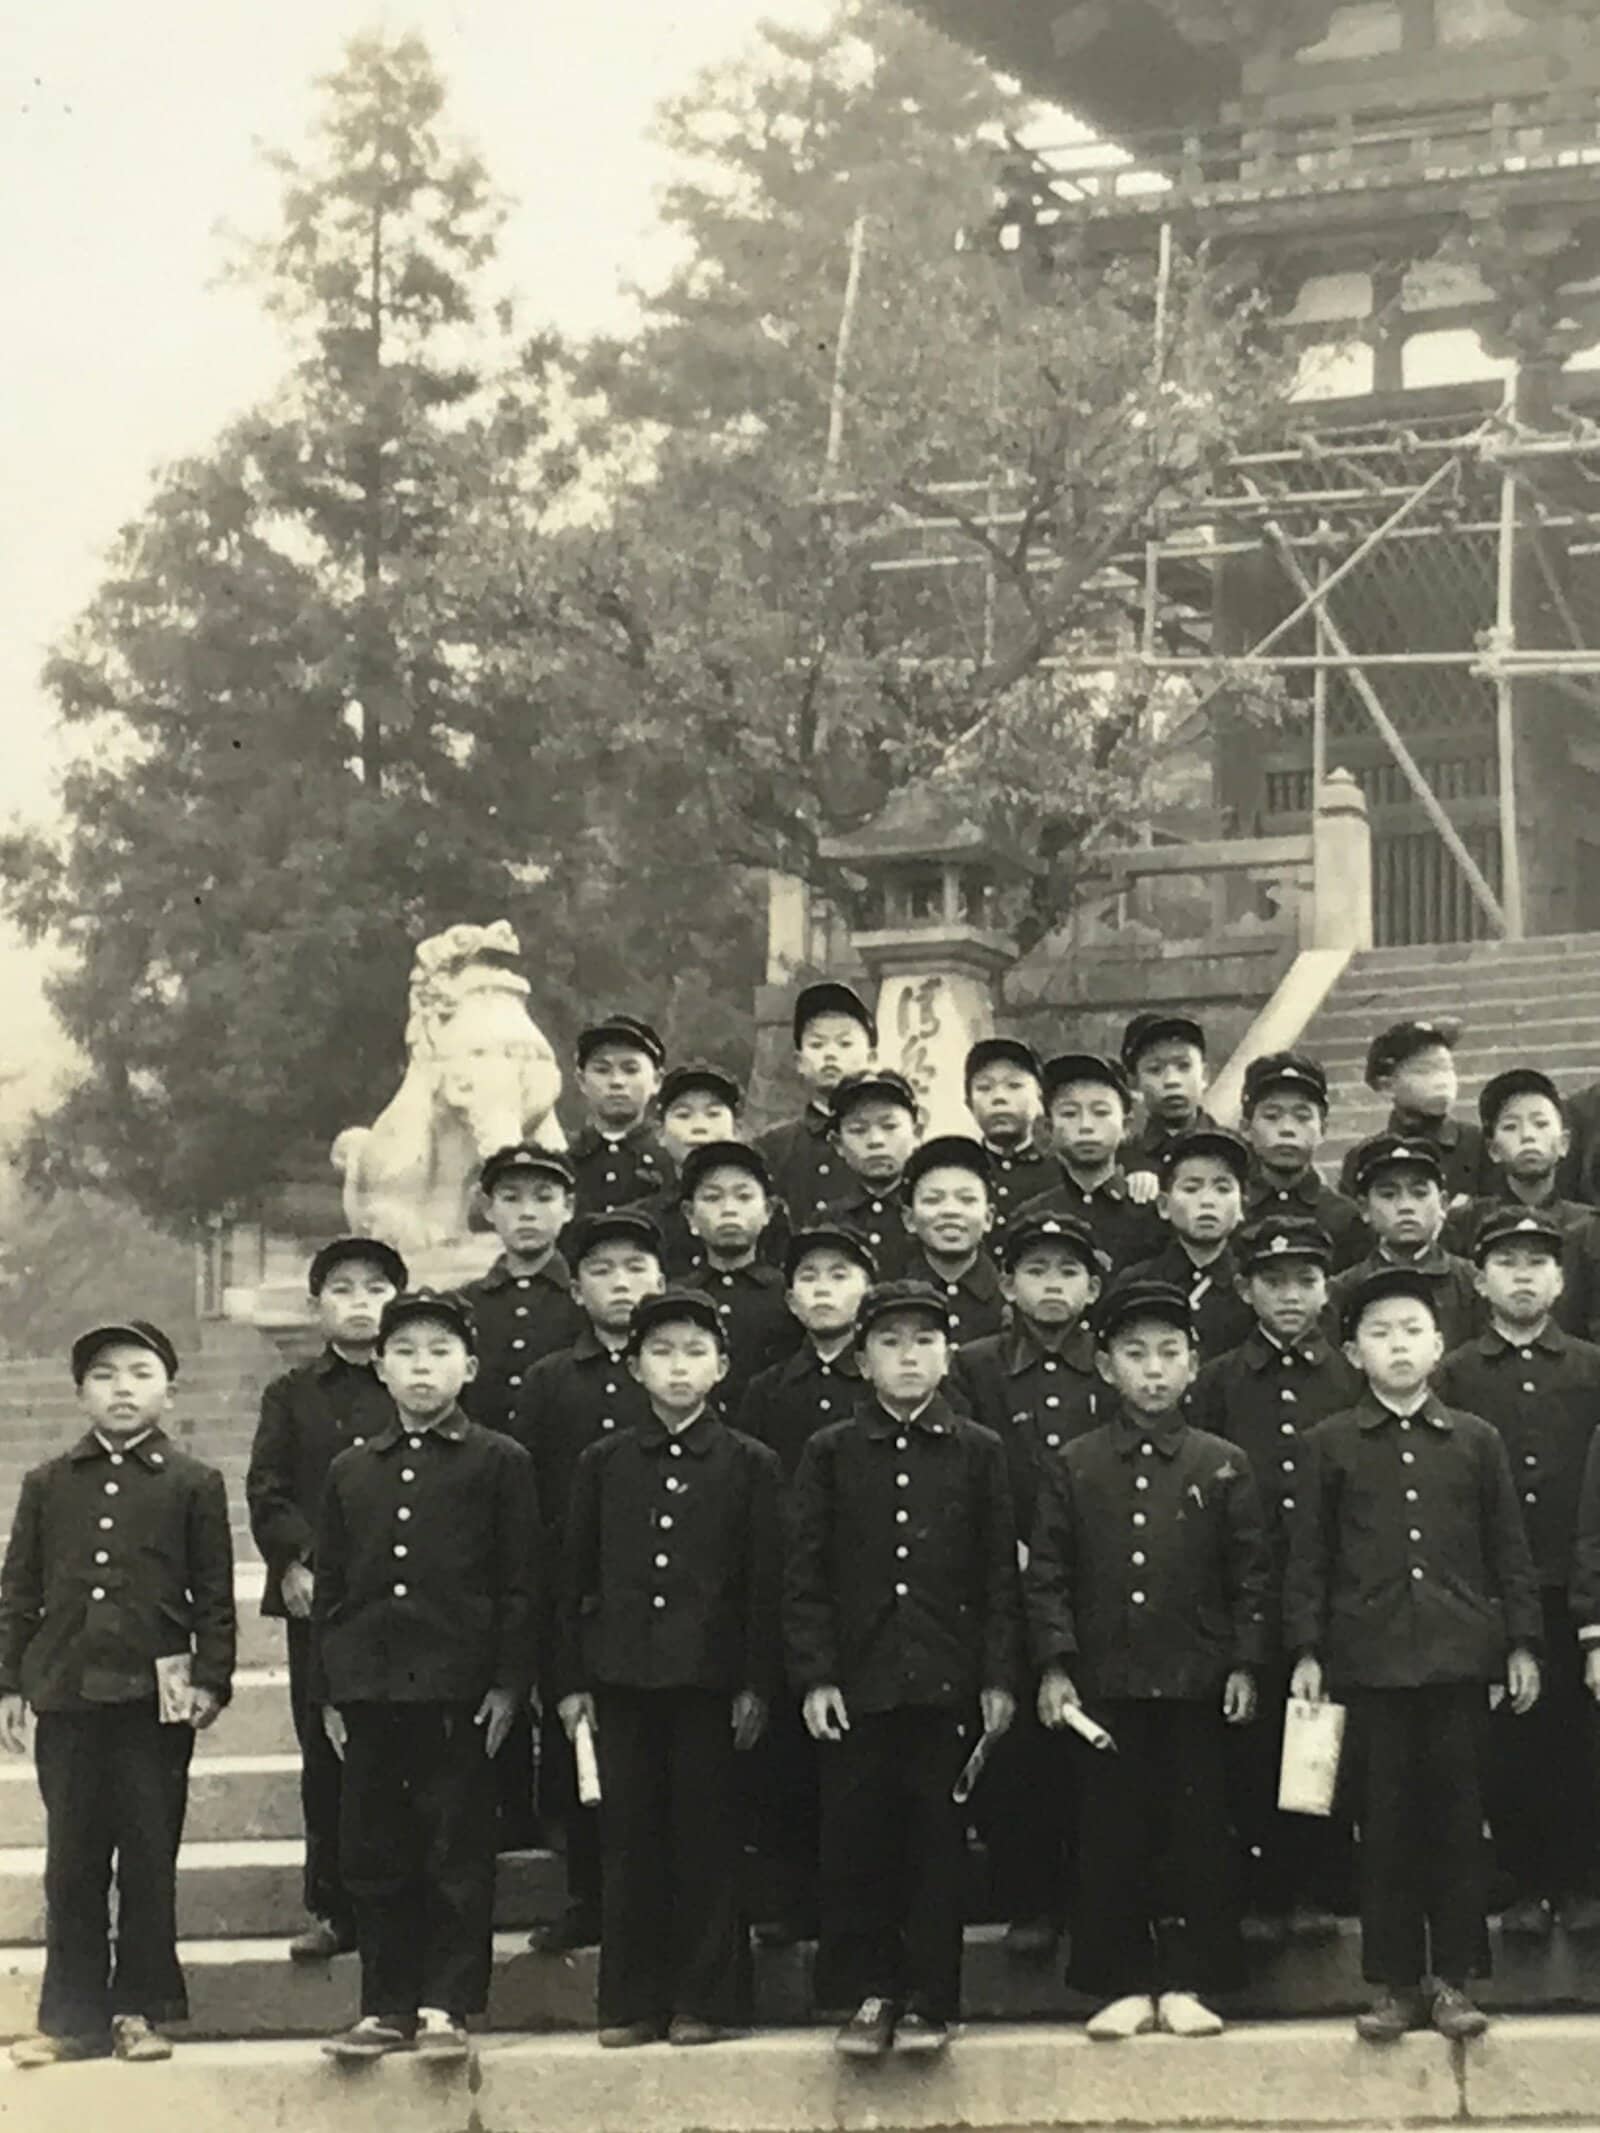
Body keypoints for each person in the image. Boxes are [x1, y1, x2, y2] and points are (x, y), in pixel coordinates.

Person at [1284, 1266, 1542, 2045]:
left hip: (1461, 1659)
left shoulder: (1475, 1439)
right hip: (1371, 1663)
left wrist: (1521, 1642)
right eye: (1378, 1333)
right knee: (1386, 1826)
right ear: (1354, 1352)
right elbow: (1310, 1558)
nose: (1396, 1346)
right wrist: (1307, 1648)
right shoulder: (1329, 1443)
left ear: (1438, 1346)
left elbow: (1510, 1550)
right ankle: (1396, 1982)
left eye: (1411, 1332)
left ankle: (1453, 1978)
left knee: (1458, 1824)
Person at [1027, 1280, 1267, 2042]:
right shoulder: (1074, 1463)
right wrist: (1057, 1665)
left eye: (1169, 1353)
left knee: (1198, 1830)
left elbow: (1251, 1574)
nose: (1153, 1370)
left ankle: (1193, 1979)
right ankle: (1122, 1979)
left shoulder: (1223, 1461)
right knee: (1111, 1831)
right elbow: (1049, 1575)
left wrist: (1244, 1663)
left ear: (1195, 1365)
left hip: (1196, 1679)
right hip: (1107, 1683)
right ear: (1105, 1365)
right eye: (1135, 1354)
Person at [786, 1280, 1020, 2059]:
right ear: (861, 1359)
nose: (908, 1356)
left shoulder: (979, 1450)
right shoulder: (829, 1452)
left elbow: (997, 1578)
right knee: (858, 1840)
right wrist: (817, 1675)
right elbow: (806, 1574)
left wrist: (996, 1678)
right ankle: (870, 1990)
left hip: (947, 1682)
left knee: (935, 1843)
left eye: (924, 1340)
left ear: (948, 1354)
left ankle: (930, 1996)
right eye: (890, 1342)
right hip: (859, 1685)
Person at [0, 1321, 235, 2069]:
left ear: (169, 1388)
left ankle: (139, 2008)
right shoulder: (47, 1483)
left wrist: (213, 1676)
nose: (122, 1388)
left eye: (140, 1372)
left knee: (145, 1855)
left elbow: (215, 1597)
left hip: (153, 1700)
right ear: (79, 1393)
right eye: (103, 1374)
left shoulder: (193, 1481)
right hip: (67, 1693)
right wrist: (9, 1681)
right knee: (71, 1859)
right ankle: (71, 2015)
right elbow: (18, 1593)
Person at [313, 1290, 539, 2064]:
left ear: (469, 1368)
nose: (422, 1367)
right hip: (371, 1692)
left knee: (455, 1853)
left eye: (440, 1352)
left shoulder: (499, 1460)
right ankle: (385, 2005)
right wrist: (335, 1693)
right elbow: (334, 1591)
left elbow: (519, 1583)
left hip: (459, 1694)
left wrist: (508, 1685)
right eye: (405, 1352)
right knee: (374, 1854)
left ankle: (447, 2004)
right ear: (379, 1367)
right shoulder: (351, 1469)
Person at [557, 1291, 782, 2048]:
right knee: (631, 1839)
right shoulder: (604, 1462)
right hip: (622, 1677)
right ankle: (633, 1998)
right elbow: (573, 1577)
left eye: (694, 1352)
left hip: (710, 1682)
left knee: (706, 1839)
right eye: (661, 1351)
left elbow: (763, 1583)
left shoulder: (751, 1464)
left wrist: (755, 1681)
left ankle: (706, 1998)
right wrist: (573, 1682)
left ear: (721, 1366)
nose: (678, 1367)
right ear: (634, 1365)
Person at [1190, 1217, 1361, 1944]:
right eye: (1273, 1281)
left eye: (1306, 1281)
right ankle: (1261, 1888)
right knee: (1253, 1732)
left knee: (1322, 1729)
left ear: (1327, 1289)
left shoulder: (1350, 1375)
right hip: (1244, 1580)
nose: (1290, 1296)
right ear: (1245, 1288)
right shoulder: (1222, 1379)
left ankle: (1319, 1883)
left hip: (1333, 1579)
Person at [1437, 1207, 1600, 1938]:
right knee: (1512, 1740)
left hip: (1579, 1581)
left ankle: (1584, 1881)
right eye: (1508, 1262)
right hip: (1493, 1585)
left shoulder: (1592, 1366)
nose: (1524, 1275)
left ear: (1562, 1279)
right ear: (1480, 1280)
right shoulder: (1455, 1373)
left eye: (1539, 1262)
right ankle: (1527, 1883)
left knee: (1580, 1734)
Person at [246, 1235, 408, 1962]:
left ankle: (409, 1906)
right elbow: (269, 1488)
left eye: (376, 1287)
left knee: (409, 1750)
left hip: (407, 1597)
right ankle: (333, 1906)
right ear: (316, 1308)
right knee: (327, 1752)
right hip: (321, 1600)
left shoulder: (414, 1378)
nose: (360, 1302)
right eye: (341, 1289)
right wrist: (297, 1560)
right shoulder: (290, 1394)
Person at [954, 1212, 1108, 1962]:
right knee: (1017, 1749)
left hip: (1101, 1581)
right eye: (1036, 1271)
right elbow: (965, 1470)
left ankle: (1094, 1896)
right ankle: (1030, 1899)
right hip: (1007, 1580)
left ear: (1093, 1287)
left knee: (1094, 1741)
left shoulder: (1110, 1365)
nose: (1053, 1286)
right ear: (1007, 1284)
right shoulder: (976, 1366)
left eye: (1069, 1272)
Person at [514, 1208, 665, 1958]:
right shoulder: (551, 1380)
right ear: (575, 1290)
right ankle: (587, 1894)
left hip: (665, 1592)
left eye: (636, 1267)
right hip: (577, 1588)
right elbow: (533, 1492)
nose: (621, 1284)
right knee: (580, 1742)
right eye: (602, 1271)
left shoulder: (679, 1364)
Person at [735, 1227, 875, 1947]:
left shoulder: (880, 1380)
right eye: (810, 1277)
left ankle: (850, 1905)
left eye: (840, 1274)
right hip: (792, 1580)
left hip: (868, 1586)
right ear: (789, 1299)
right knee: (789, 1751)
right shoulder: (768, 1390)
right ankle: (792, 1900)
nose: (824, 1288)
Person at [1444, 1068, 1600, 1342]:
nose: (1528, 1136)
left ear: (1564, 1143)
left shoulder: (1589, 1226)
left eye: (1540, 1124)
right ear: (1492, 1149)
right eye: (1511, 1126)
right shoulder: (1464, 1223)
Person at [460, 1144, 583, 1434]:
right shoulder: (464, 1303)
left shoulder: (585, 1299)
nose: (527, 1213)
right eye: (511, 1198)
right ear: (488, 1209)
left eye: (543, 1198)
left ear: (568, 1208)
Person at [1012, 1053, 1163, 1273]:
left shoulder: (1151, 1211)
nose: (1086, 1125)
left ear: (1126, 1125)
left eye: (1101, 1112)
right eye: (1069, 1113)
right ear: (1048, 1127)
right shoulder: (1031, 1215)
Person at [1329, 1135, 1478, 1353]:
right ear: (1364, 1209)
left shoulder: (1471, 1283)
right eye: (1388, 1195)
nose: (1406, 1206)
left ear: (1443, 1204)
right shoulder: (1341, 1291)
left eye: (1419, 1194)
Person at [681, 1141, 801, 1408]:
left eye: (744, 1196)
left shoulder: (791, 1296)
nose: (729, 1209)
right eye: (713, 1197)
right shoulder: (675, 1296)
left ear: (768, 1211)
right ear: (690, 1215)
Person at [1125, 1127, 1255, 1361]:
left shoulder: (1253, 1289)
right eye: (1191, 1188)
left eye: (1222, 1188)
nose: (1207, 1201)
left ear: (1242, 1206)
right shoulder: (1135, 1284)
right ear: (1164, 1205)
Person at [755, 981, 877, 1226]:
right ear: (799, 1061)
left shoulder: (886, 1140)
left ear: (872, 1058)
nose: (830, 1054)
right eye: (817, 1044)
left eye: (845, 1043)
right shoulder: (773, 1148)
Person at [1239, 1052, 1369, 1272]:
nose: (1287, 1129)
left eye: (1302, 1117)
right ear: (1246, 1128)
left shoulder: (1345, 1218)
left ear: (1323, 1129)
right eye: (1271, 1116)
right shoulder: (1233, 1211)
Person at [1338, 1020, 1487, 1204]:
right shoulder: (1362, 1158)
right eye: (1424, 1070)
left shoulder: (1479, 1145)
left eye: (1447, 1068)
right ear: (1387, 1086)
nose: (1441, 1080)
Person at [630, 1062, 749, 1277]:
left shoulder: (764, 1212)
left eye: (713, 1114)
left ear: (737, 1129)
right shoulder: (641, 1221)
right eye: (684, 1115)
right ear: (659, 1133)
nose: (699, 1126)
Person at [899, 1135, 1005, 1346]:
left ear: (988, 1217)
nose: (950, 1211)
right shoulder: (893, 1294)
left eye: (967, 1199)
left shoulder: (1011, 1297)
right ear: (909, 1219)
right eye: (933, 1200)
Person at [569, 1013, 669, 1215]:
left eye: (630, 1070)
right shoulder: (564, 1159)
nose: (617, 1081)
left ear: (657, 1080)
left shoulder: (672, 1156)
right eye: (602, 1070)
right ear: (581, 1081)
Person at [827, 1069, 920, 1281]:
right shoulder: (828, 1222)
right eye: (859, 1130)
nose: (875, 1140)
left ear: (917, 1132)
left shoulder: (931, 1214)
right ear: (838, 1143)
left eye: (889, 1126)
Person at [964, 1037, 1054, 1226]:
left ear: (1040, 1098)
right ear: (969, 1103)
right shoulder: (960, 1174)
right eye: (984, 1087)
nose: (999, 1098)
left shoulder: (1062, 1176)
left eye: (1014, 1085)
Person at [1121, 1012, 1216, 1186]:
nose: (1172, 1081)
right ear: (1134, 1083)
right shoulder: (1122, 1160)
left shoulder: (1236, 1152)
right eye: (1155, 1069)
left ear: (1205, 1075)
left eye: (1184, 1066)